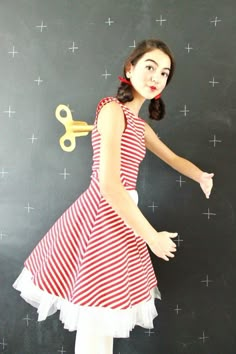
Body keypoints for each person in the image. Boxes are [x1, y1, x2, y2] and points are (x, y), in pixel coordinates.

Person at [13, 39, 214, 354]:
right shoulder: (111, 110)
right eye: (150, 67)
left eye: (164, 73)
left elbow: (173, 159)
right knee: (96, 314)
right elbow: (108, 184)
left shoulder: (139, 124)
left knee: (104, 316)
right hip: (102, 216)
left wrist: (200, 175)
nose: (156, 77)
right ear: (130, 68)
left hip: (123, 219)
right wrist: (151, 236)